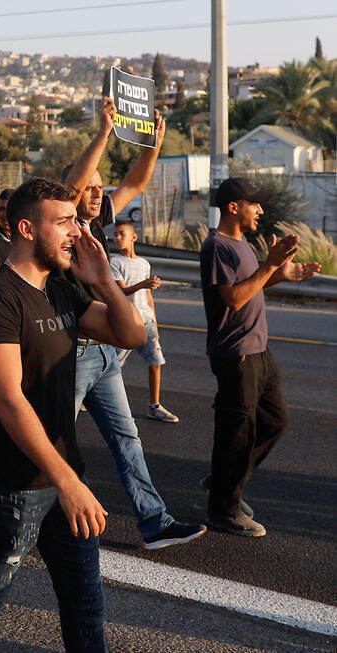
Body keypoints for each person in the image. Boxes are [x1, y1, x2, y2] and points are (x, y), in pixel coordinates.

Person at [0, 177, 147, 652]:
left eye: (75, 221)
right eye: (64, 222)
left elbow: (131, 337)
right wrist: (68, 485)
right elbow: (6, 400)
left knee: (86, 606)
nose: (76, 232)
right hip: (12, 486)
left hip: (63, 473)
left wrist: (104, 279)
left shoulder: (63, 289)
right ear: (26, 228)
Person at [63, 98, 206, 550]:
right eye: (90, 187)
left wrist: (154, 145)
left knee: (127, 438)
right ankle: (20, 514)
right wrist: (104, 132)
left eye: (99, 189)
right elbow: (71, 187)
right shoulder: (63, 224)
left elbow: (136, 181)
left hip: (104, 353)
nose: (96, 194)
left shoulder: (101, 218)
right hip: (74, 351)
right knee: (50, 441)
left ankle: (154, 523)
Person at [200, 178, 319, 537]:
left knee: (274, 421)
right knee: (237, 433)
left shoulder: (242, 243)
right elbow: (233, 299)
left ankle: (224, 483)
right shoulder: (217, 246)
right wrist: (269, 265)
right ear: (234, 207)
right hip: (235, 354)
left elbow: (251, 288)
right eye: (255, 204)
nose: (261, 210)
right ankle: (224, 509)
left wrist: (278, 274)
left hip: (259, 351)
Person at [110, 221, 178, 422]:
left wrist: (154, 320)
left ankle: (154, 406)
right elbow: (120, 291)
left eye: (122, 234)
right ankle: (94, 397)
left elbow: (149, 296)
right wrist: (143, 284)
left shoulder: (143, 264)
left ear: (134, 237)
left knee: (155, 361)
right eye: (116, 234)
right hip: (127, 321)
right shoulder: (115, 262)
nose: (118, 238)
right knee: (112, 366)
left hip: (146, 321)